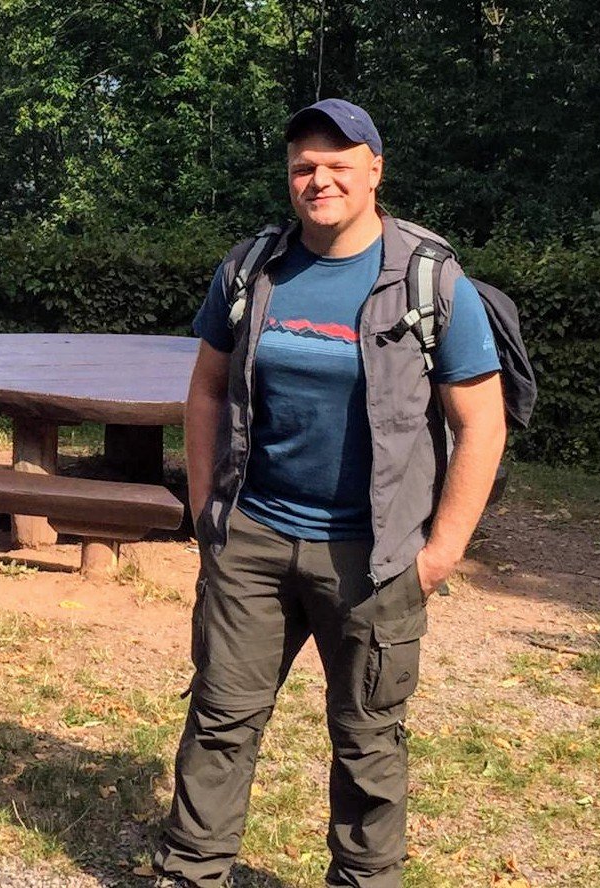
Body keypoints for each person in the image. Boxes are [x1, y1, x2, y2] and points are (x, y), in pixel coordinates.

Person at [154, 99, 507, 888]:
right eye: (304, 167)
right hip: (253, 539)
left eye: (338, 165)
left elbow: (482, 423)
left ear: (374, 171)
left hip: (374, 557)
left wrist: (441, 553)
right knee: (220, 719)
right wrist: (210, 512)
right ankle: (191, 872)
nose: (320, 180)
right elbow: (205, 390)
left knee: (368, 740)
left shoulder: (429, 278)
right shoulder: (253, 268)